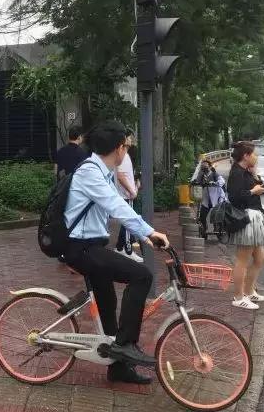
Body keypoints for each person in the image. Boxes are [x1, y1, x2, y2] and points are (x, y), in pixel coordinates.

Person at [64, 121, 170, 384]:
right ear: (119, 148)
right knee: (141, 276)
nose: (127, 151)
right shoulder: (90, 172)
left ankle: (118, 367)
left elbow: (117, 208)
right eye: (127, 147)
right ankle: (125, 344)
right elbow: (116, 206)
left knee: (109, 304)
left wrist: (143, 234)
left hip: (92, 246)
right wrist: (150, 232)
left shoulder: (103, 171)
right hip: (80, 249)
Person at [226, 141, 264, 310]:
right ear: (245, 155)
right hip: (245, 218)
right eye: (254, 154)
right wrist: (253, 191)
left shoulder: (245, 171)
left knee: (260, 259)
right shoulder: (236, 172)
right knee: (242, 260)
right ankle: (238, 297)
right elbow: (234, 197)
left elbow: (256, 185)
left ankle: (249, 291)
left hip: (254, 217)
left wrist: (254, 174)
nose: (256, 157)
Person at [115, 129, 143, 262]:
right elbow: (120, 176)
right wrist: (131, 191)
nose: (132, 140)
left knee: (127, 222)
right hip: (126, 195)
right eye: (130, 138)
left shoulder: (125, 155)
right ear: (124, 139)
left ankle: (120, 247)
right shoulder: (122, 156)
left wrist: (135, 185)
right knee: (129, 222)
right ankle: (128, 250)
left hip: (127, 194)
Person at [190, 158, 227, 231]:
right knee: (202, 216)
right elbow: (197, 181)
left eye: (206, 165)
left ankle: (218, 227)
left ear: (209, 166)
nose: (204, 167)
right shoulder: (201, 175)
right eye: (203, 166)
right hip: (207, 198)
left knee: (217, 213)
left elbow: (222, 181)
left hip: (217, 197)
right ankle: (204, 228)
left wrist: (214, 183)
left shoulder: (214, 174)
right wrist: (193, 183)